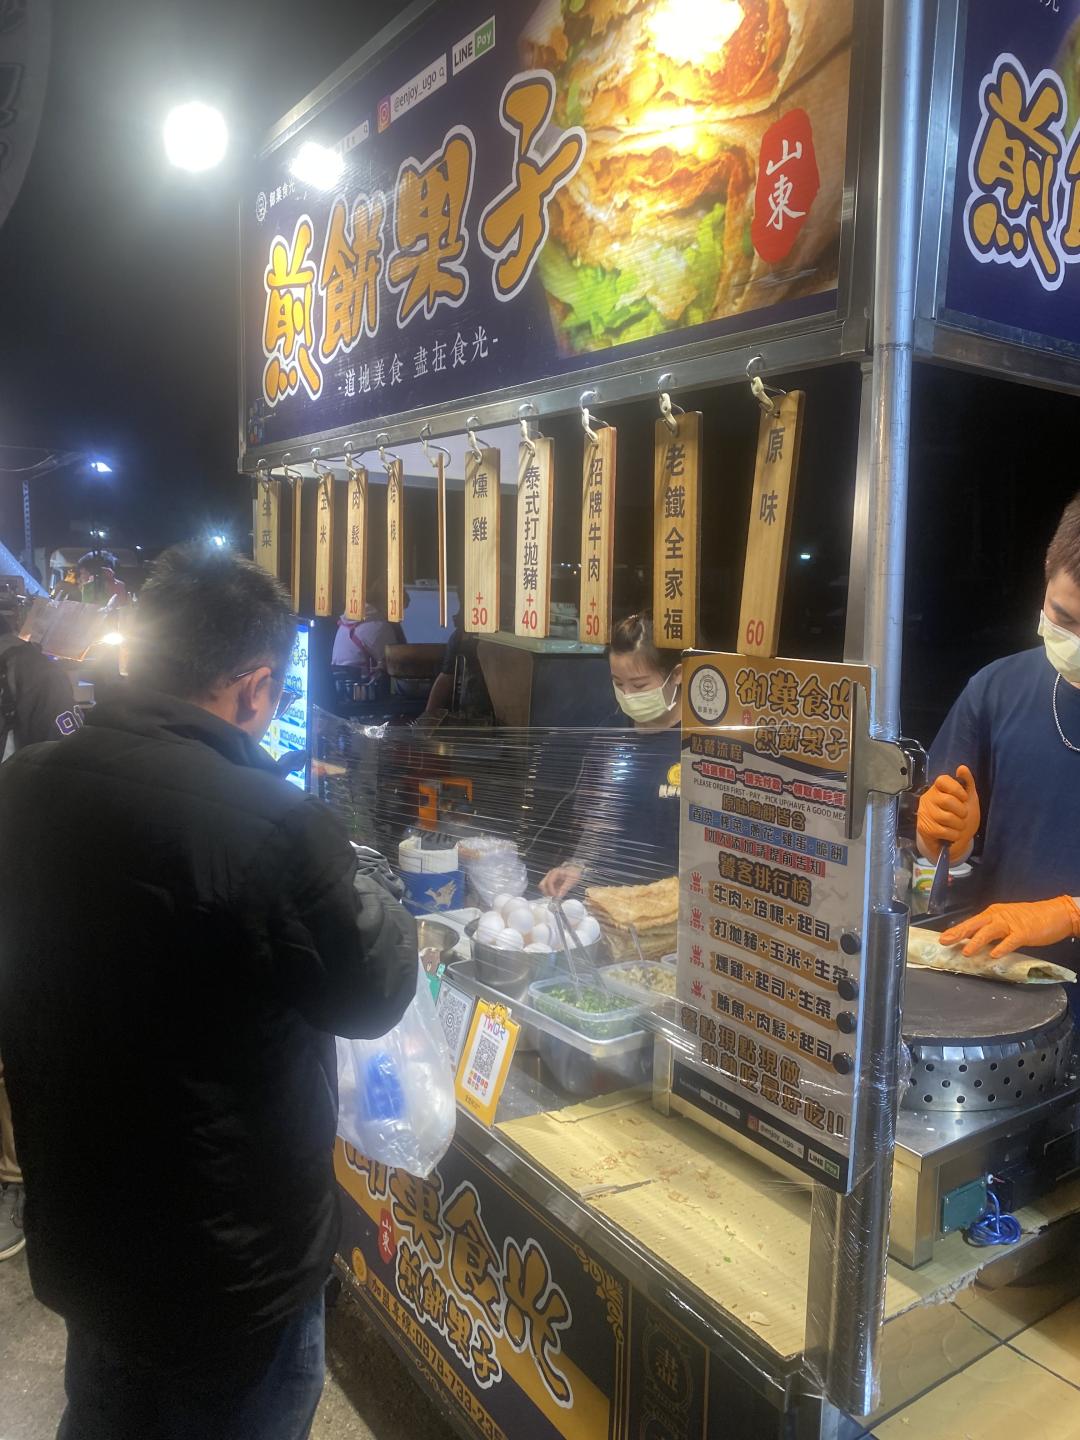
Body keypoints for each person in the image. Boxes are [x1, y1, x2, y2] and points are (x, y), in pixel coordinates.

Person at [0, 545, 418, 1440]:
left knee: (105, 1414)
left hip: (84, 1223)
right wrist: (376, 885)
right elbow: (372, 992)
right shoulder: (273, 821)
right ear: (258, 688)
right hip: (231, 1266)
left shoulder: (22, 784)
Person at [918, 493, 1080, 963]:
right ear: (1047, 572)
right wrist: (947, 837)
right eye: (1064, 618)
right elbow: (943, 851)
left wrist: (1070, 914)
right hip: (1003, 979)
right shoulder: (996, 689)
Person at [0, 589, 81, 1263]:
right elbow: (67, 777)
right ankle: (14, 1177)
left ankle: (12, 1177)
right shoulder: (35, 671)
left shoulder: (30, 671)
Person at [540, 612, 682, 897]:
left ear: (677, 675)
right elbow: (596, 821)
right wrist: (576, 865)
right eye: (618, 683)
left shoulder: (699, 744)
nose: (627, 694)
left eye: (639, 685)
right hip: (613, 899)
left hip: (677, 902)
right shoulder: (611, 735)